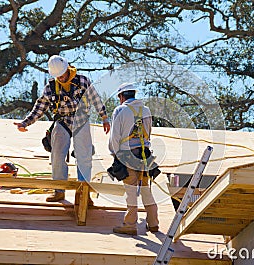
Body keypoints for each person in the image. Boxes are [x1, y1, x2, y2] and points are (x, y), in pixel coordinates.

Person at [14, 55, 110, 202]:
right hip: (62, 121)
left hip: (81, 121)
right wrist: (25, 123)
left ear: (68, 69)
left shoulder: (82, 81)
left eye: (63, 75)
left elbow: (95, 98)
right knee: (57, 156)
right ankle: (59, 190)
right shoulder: (51, 88)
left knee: (84, 156)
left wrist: (104, 117)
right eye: (58, 76)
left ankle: (83, 193)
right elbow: (39, 107)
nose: (61, 79)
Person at [108, 82, 159, 236]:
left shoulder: (121, 110)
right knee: (145, 189)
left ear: (121, 96)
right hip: (144, 155)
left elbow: (115, 136)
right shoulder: (146, 110)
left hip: (127, 155)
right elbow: (148, 132)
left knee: (130, 190)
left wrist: (115, 154)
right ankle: (153, 223)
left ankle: (130, 224)